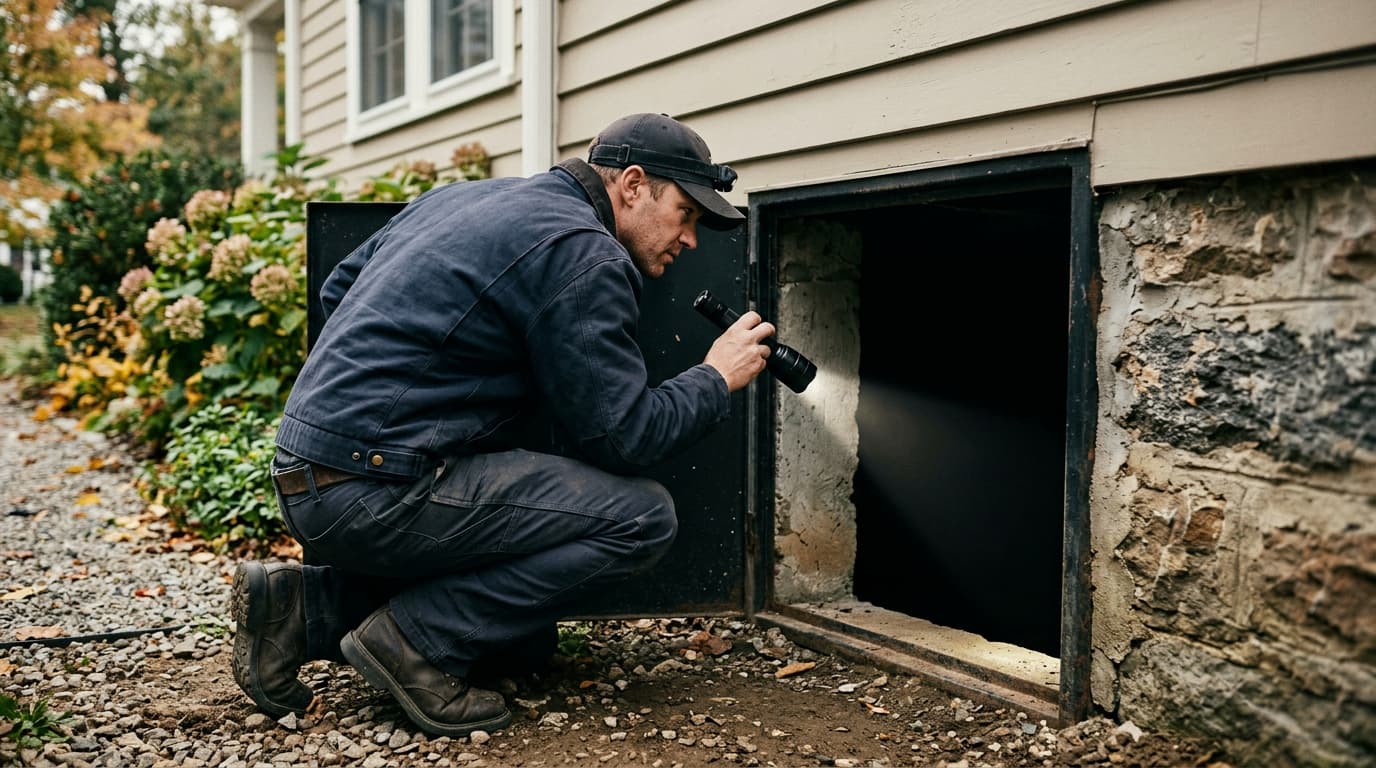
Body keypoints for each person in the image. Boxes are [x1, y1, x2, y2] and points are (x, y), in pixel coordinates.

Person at [229, 113, 776, 737]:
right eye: (686, 213)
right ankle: (414, 643)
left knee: (525, 647)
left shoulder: (468, 198)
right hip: (375, 489)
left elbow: (339, 290)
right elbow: (627, 437)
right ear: (632, 184)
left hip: (308, 472)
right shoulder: (584, 253)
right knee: (641, 518)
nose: (692, 240)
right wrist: (714, 376)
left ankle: (303, 609)